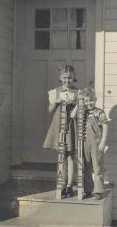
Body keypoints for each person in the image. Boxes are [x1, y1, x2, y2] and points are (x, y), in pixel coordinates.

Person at [42, 65, 78, 198]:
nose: (67, 80)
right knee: (61, 156)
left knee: (71, 156)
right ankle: (61, 185)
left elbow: (81, 110)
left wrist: (75, 104)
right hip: (59, 126)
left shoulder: (78, 92)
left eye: (70, 78)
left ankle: (69, 185)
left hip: (72, 125)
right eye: (64, 78)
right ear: (60, 78)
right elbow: (50, 110)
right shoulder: (55, 92)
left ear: (73, 78)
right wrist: (57, 101)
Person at [73, 87, 108, 200]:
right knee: (86, 166)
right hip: (84, 143)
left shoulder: (99, 112)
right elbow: (72, 115)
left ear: (96, 99)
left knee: (97, 167)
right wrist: (79, 104)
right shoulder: (82, 113)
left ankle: (99, 191)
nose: (89, 103)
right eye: (86, 101)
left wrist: (103, 142)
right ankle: (88, 189)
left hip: (96, 143)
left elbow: (106, 127)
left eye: (91, 100)